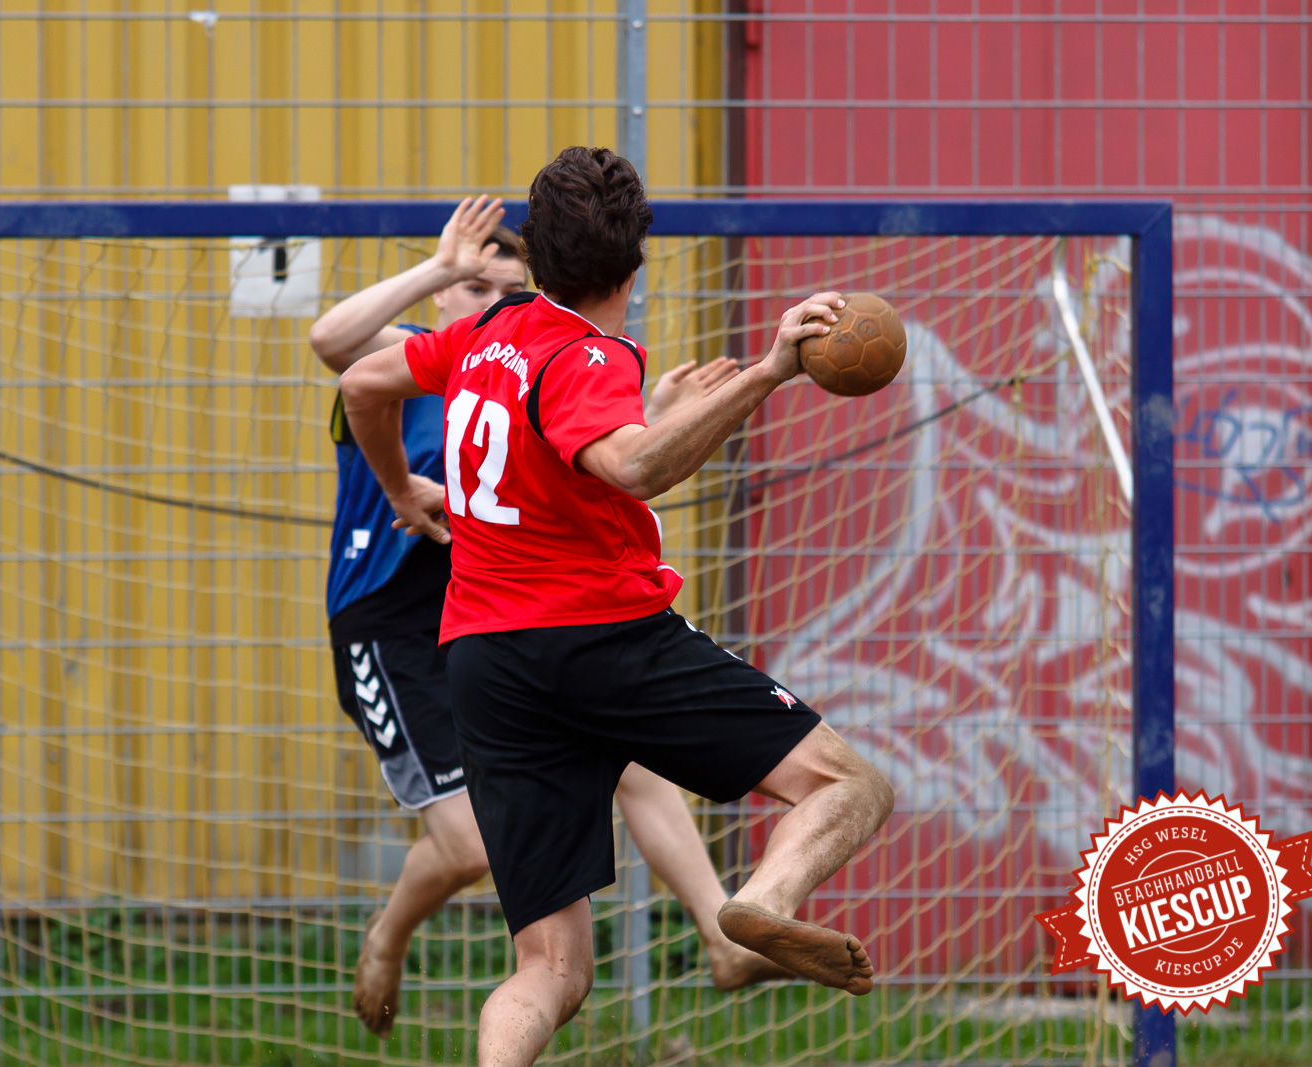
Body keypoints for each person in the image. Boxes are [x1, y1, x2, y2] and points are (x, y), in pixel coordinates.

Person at [339, 148, 896, 1066]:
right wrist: (770, 370)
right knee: (849, 785)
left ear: (540, 260)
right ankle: (761, 902)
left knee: (551, 969)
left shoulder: (490, 331)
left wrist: (403, 492)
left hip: (487, 660)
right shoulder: (586, 355)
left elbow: (360, 382)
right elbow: (631, 464)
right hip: (601, 635)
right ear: (635, 269)